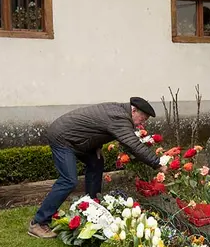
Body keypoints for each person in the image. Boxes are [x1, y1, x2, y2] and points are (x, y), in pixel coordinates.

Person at [28, 97, 166, 238]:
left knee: (96, 162)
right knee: (69, 180)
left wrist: (96, 145)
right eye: (142, 118)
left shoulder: (119, 111)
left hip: (75, 138)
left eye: (146, 119)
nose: (143, 122)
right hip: (63, 138)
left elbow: (95, 125)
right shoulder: (120, 118)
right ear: (134, 110)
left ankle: (92, 207)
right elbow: (132, 144)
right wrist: (157, 163)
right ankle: (38, 223)